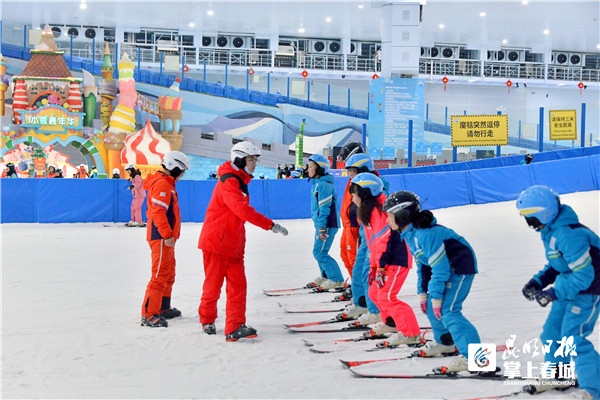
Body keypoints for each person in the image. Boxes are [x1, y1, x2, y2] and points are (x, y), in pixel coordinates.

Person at [198, 141, 289, 341]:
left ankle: (234, 326)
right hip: (217, 243)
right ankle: (207, 319)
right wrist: (270, 225)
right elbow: (242, 210)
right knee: (213, 285)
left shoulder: (240, 180)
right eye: (251, 159)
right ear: (239, 160)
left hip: (233, 244)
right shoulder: (229, 181)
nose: (254, 163)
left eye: (256, 159)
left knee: (238, 286)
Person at [383, 190, 481, 372]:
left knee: (449, 311)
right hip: (445, 270)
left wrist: (436, 295)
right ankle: (446, 342)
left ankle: (477, 359)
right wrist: (423, 293)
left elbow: (440, 269)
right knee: (430, 305)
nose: (387, 220)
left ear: (402, 215)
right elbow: (424, 265)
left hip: (460, 269)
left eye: (389, 216)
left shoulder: (425, 235)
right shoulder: (411, 235)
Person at [517, 185, 599, 398]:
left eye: (529, 216)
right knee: (552, 333)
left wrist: (553, 293)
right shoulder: (551, 230)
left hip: (589, 291)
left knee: (574, 339)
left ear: (544, 213)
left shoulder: (567, 234)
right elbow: (559, 264)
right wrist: (538, 282)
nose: (527, 221)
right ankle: (559, 375)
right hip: (569, 287)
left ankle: (593, 389)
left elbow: (584, 276)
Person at [347, 173, 421, 347]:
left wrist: (379, 267)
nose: (352, 196)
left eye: (354, 191)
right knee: (373, 293)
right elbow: (372, 244)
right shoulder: (367, 210)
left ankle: (411, 333)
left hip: (395, 259)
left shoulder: (378, 210)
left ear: (365, 192)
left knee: (387, 297)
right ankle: (391, 323)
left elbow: (382, 241)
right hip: (382, 261)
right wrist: (374, 267)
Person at [140, 151, 190, 328]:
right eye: (182, 170)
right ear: (173, 167)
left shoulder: (167, 184)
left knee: (168, 273)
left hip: (166, 237)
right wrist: (167, 234)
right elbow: (158, 213)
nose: (183, 174)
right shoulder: (162, 184)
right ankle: (149, 314)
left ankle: (162, 307)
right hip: (161, 237)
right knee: (160, 275)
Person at [306, 153, 344, 291]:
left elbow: (325, 209)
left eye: (311, 167)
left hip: (327, 225)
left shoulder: (323, 185)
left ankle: (337, 279)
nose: (308, 169)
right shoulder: (317, 184)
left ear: (320, 169)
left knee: (319, 252)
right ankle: (326, 275)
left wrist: (322, 227)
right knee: (320, 251)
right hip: (323, 225)